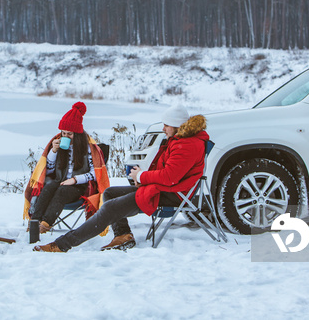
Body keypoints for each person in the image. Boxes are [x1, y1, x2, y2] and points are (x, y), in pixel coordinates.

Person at [34, 104, 208, 252]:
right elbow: (170, 172)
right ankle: (123, 235)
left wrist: (141, 175)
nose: (163, 129)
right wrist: (142, 176)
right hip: (161, 188)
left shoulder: (187, 145)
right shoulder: (181, 141)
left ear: (177, 125)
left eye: (166, 125)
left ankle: (62, 244)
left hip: (171, 193)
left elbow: (170, 177)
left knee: (110, 208)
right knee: (110, 193)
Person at [23, 102, 110, 234]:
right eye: (63, 133)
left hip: (79, 188)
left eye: (70, 134)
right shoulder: (59, 145)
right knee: (49, 188)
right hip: (60, 182)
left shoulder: (88, 149)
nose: (65, 137)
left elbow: (95, 173)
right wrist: (53, 151)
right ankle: (35, 221)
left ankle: (45, 224)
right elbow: (50, 170)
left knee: (62, 191)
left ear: (78, 134)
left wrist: (75, 180)